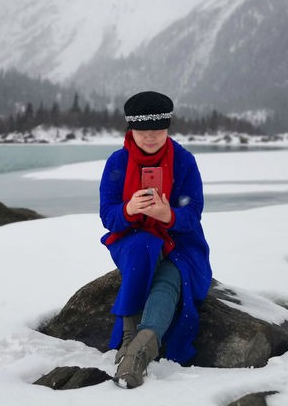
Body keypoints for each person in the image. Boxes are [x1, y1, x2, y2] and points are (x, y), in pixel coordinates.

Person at [99, 91, 212, 389]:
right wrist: (129, 209)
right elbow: (108, 216)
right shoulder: (118, 162)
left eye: (158, 132)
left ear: (167, 129)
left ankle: (136, 351)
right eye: (142, 132)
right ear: (130, 130)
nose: (150, 139)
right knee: (143, 246)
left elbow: (193, 214)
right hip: (132, 237)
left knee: (168, 278)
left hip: (181, 243)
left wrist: (168, 215)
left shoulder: (184, 161)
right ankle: (129, 338)